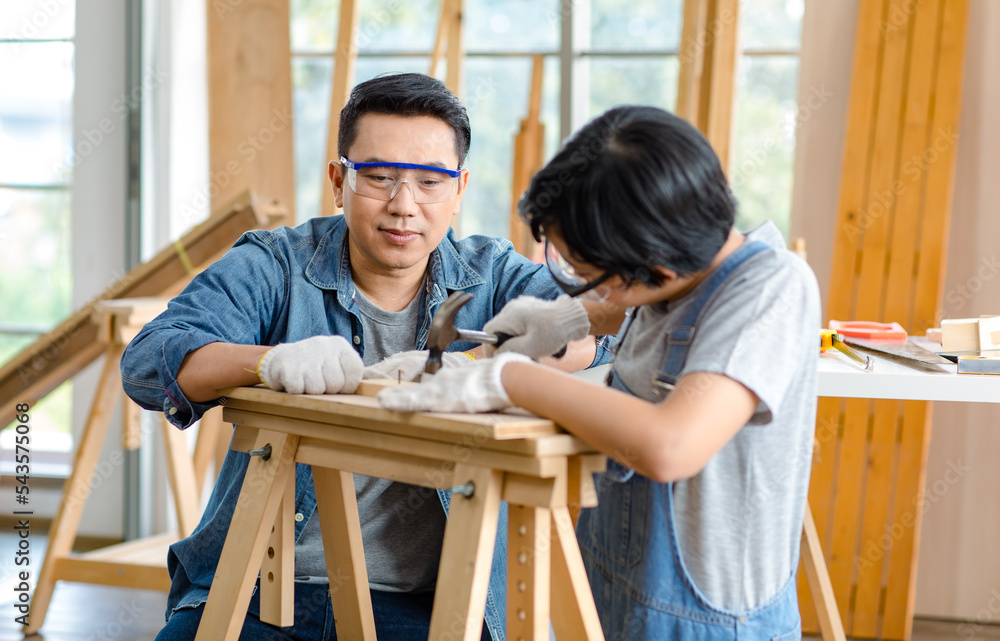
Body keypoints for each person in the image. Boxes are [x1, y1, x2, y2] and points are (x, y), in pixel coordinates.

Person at [121, 72, 608, 640]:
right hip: (258, 588)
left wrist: (478, 372)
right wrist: (269, 362)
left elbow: (593, 327)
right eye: (378, 177)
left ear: (459, 189)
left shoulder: (492, 274)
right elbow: (149, 361)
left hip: (427, 607)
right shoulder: (278, 263)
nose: (404, 206)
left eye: (431, 182)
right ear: (338, 180)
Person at [379, 105, 821, 640]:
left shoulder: (771, 290)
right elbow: (625, 305)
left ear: (654, 260)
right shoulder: (672, 279)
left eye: (592, 276)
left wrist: (510, 379)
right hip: (613, 593)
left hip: (710, 622)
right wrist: (559, 318)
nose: (587, 287)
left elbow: (670, 446)